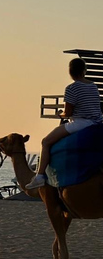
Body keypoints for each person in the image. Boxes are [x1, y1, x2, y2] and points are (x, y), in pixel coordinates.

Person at [26, 58, 103, 189]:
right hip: (97, 122)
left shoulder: (72, 88)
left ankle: (39, 176)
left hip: (81, 123)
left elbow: (68, 113)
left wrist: (60, 113)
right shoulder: (93, 86)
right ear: (84, 71)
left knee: (46, 142)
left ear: (70, 72)